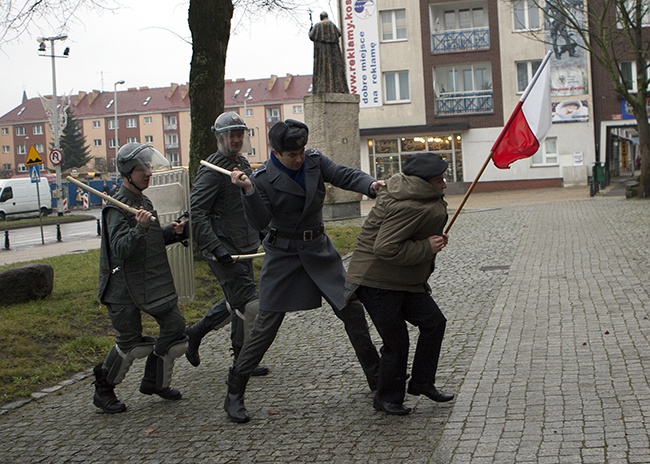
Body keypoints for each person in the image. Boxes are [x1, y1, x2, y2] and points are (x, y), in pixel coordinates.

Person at [223, 119, 382, 423]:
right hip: (283, 255)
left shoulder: (313, 161)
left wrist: (370, 185)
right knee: (266, 326)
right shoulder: (262, 179)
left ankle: (378, 381)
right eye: (292, 154)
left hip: (318, 250)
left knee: (352, 311)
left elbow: (343, 175)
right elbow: (259, 222)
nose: (299, 157)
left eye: (301, 151)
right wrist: (247, 191)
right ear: (276, 152)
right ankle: (235, 390)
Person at [346, 153, 455, 416]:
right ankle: (386, 398)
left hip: (402, 279)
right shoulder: (407, 205)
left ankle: (421, 382)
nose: (444, 185)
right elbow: (385, 247)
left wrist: (430, 241)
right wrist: (425, 247)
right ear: (425, 183)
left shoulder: (419, 196)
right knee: (396, 341)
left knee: (434, 322)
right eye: (439, 180)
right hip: (376, 280)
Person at [92, 143, 189, 414]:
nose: (148, 172)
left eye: (148, 167)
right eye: (141, 169)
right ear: (126, 173)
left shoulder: (143, 202)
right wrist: (139, 227)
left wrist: (173, 231)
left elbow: (151, 240)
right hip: (122, 289)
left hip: (148, 282)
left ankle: (154, 382)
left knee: (175, 327)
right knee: (131, 343)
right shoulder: (116, 208)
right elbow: (120, 248)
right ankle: (103, 390)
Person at [186, 111, 268, 376]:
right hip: (223, 246)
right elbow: (196, 211)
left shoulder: (242, 163)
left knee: (236, 302)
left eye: (239, 134)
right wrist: (214, 247)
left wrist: (263, 231)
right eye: (230, 134)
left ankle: (196, 333)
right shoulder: (212, 170)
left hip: (244, 244)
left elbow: (249, 202)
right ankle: (242, 362)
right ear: (219, 137)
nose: (235, 139)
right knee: (248, 303)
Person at [309, 11, 349, 94]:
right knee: (335, 69)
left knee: (322, 69)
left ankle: (322, 88)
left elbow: (312, 36)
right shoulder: (332, 25)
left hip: (321, 53)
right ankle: (337, 88)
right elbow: (339, 33)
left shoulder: (318, 25)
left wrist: (310, 30)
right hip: (333, 52)